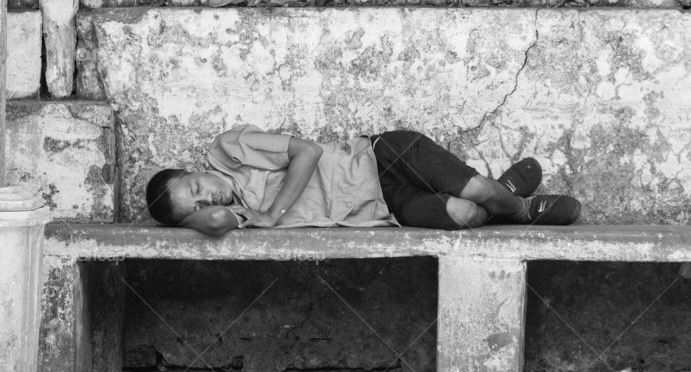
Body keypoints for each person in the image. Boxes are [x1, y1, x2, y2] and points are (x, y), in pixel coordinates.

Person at [146, 125, 581, 236]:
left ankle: (521, 210)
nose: (209, 198)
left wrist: (271, 214)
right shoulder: (234, 215)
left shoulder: (230, 147)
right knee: (465, 214)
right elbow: (217, 223)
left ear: (192, 168)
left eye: (196, 188)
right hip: (383, 207)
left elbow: (309, 152)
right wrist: (189, 215)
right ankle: (509, 192)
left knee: (479, 192)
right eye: (198, 207)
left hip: (382, 157)